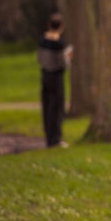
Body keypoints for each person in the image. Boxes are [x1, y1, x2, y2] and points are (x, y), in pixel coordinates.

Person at [37, 13, 73, 148]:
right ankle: (56, 139)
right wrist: (69, 57)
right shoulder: (59, 44)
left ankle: (48, 137)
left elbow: (39, 58)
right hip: (56, 77)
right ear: (61, 26)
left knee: (47, 107)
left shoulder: (42, 41)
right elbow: (64, 63)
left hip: (45, 76)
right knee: (57, 108)